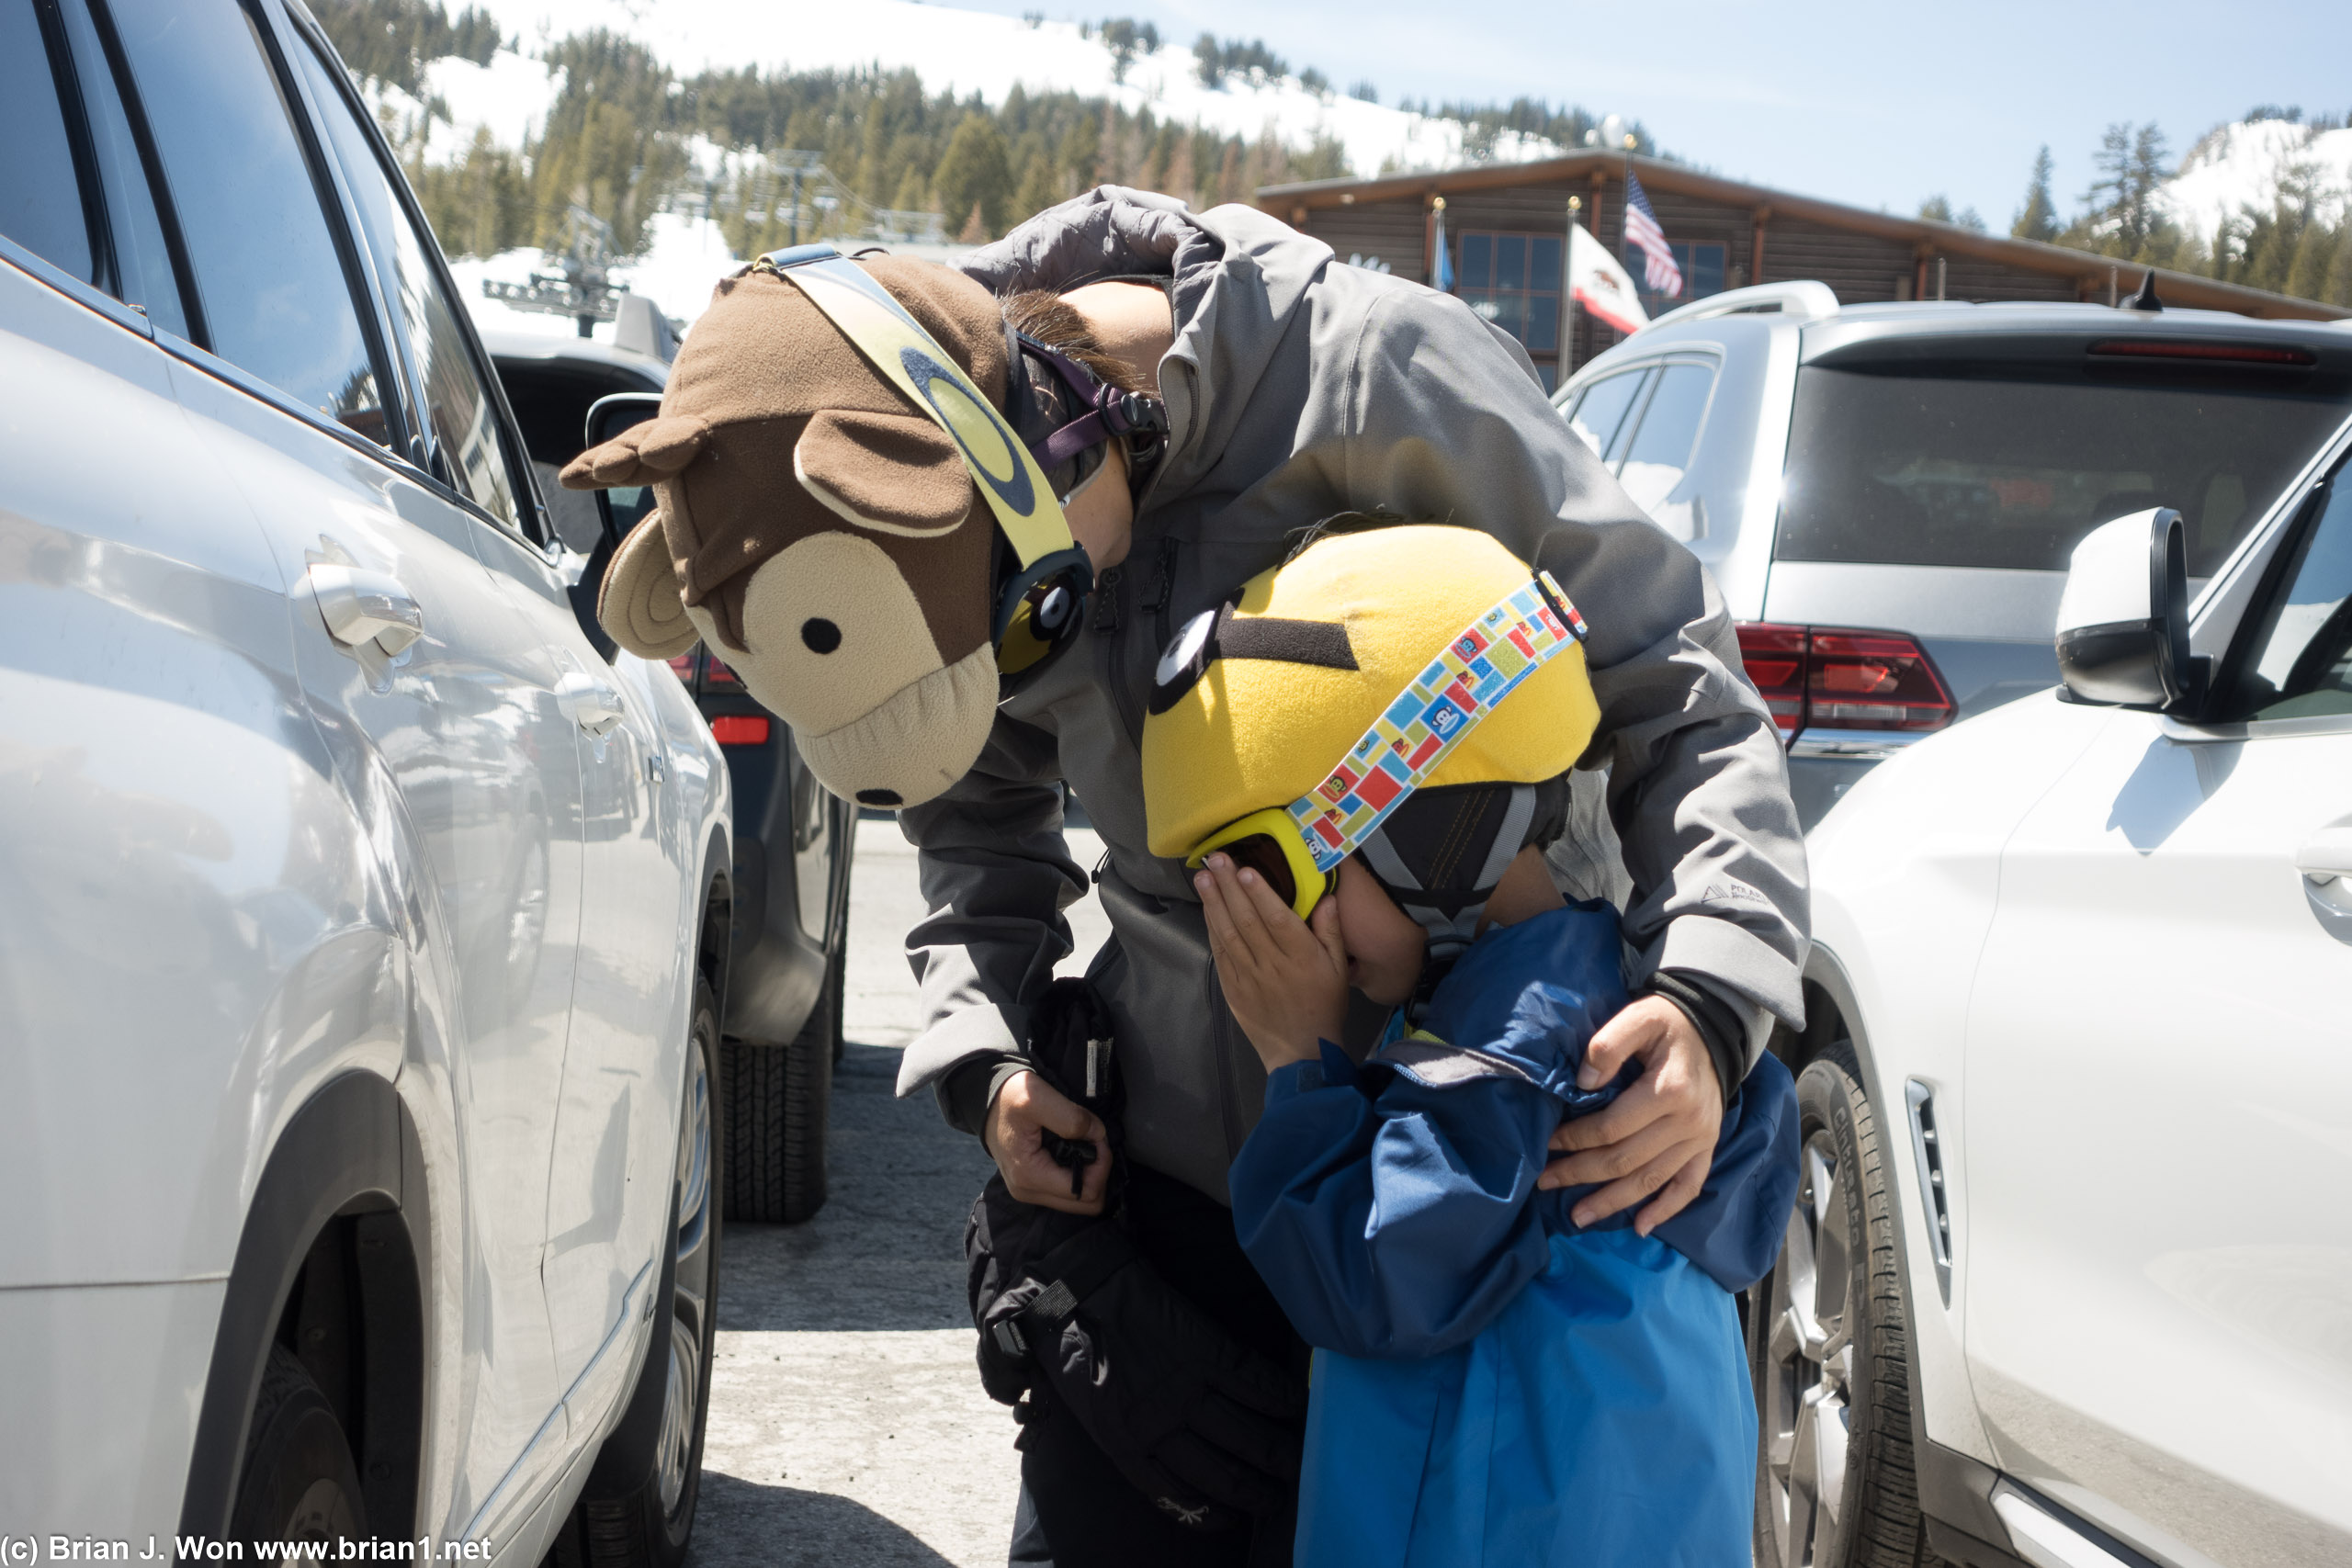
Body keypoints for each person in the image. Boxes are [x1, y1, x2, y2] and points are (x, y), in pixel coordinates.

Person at [893, 188, 1809, 1561]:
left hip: (1413, 1195)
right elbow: (974, 805)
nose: (1048, 625)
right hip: (1177, 1205)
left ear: (1084, 427)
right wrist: (995, 1061)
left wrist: (1709, 1004)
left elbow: (1674, 674)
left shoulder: (1388, 371)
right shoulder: (951, 486)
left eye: (1045, 588)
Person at [1147, 521, 1799, 1566]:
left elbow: (1368, 1285)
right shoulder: (1605, 999)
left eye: (1281, 879)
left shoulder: (1507, 1051)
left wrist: (1297, 1060)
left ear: (1431, 833)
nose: (1288, 931)